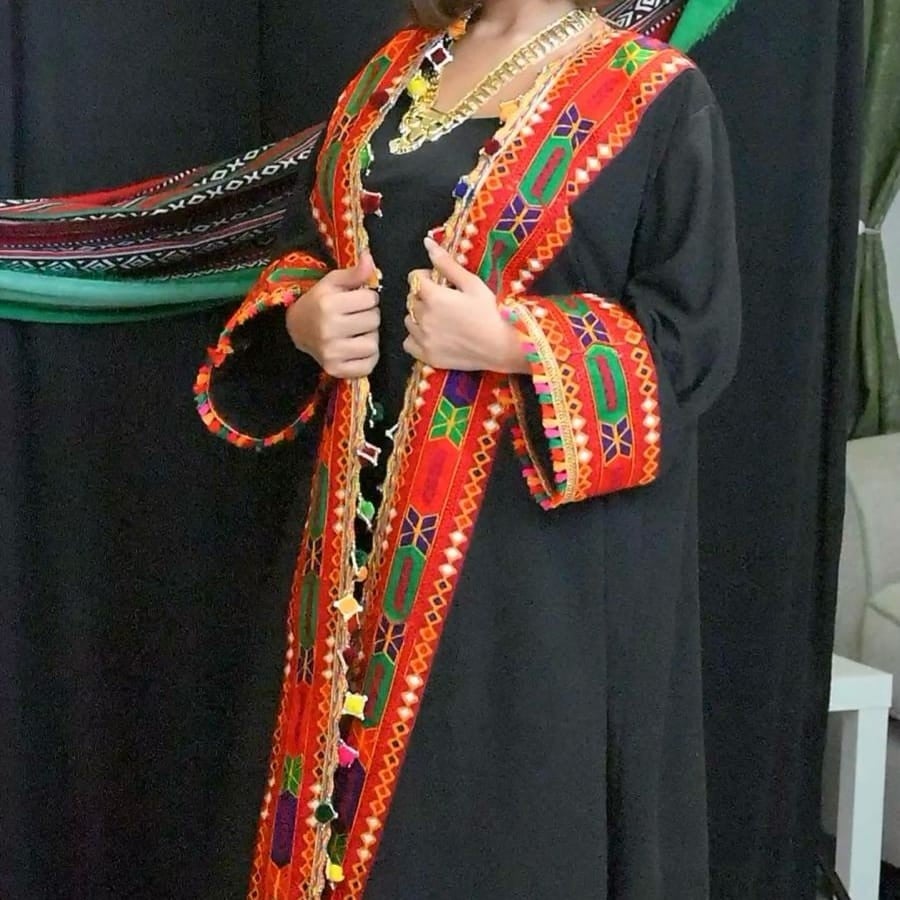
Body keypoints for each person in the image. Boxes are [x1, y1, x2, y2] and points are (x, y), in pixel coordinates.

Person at [195, 0, 741, 896]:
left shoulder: (656, 95)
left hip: (533, 579)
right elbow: (309, 249)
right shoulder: (390, 74)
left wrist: (518, 342)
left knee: (484, 843)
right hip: (353, 549)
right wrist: (304, 320)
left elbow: (695, 343)